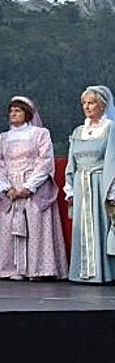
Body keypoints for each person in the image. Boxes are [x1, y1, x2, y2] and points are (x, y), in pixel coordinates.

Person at [0, 95, 67, 281]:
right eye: (11, 111)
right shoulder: (4, 137)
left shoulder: (40, 133)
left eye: (18, 110)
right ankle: (12, 269)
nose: (13, 114)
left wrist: (29, 187)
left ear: (27, 113)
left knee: (36, 226)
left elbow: (45, 160)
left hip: (33, 187)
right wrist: (7, 188)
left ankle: (38, 269)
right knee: (9, 227)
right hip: (11, 189)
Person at [64, 85, 115, 283]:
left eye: (91, 102)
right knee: (82, 229)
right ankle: (82, 272)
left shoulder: (110, 128)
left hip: (100, 183)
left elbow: (112, 159)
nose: (87, 107)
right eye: (84, 103)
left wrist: (111, 191)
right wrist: (70, 187)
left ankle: (104, 273)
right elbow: (72, 161)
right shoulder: (78, 131)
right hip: (81, 184)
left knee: (102, 226)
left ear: (102, 105)